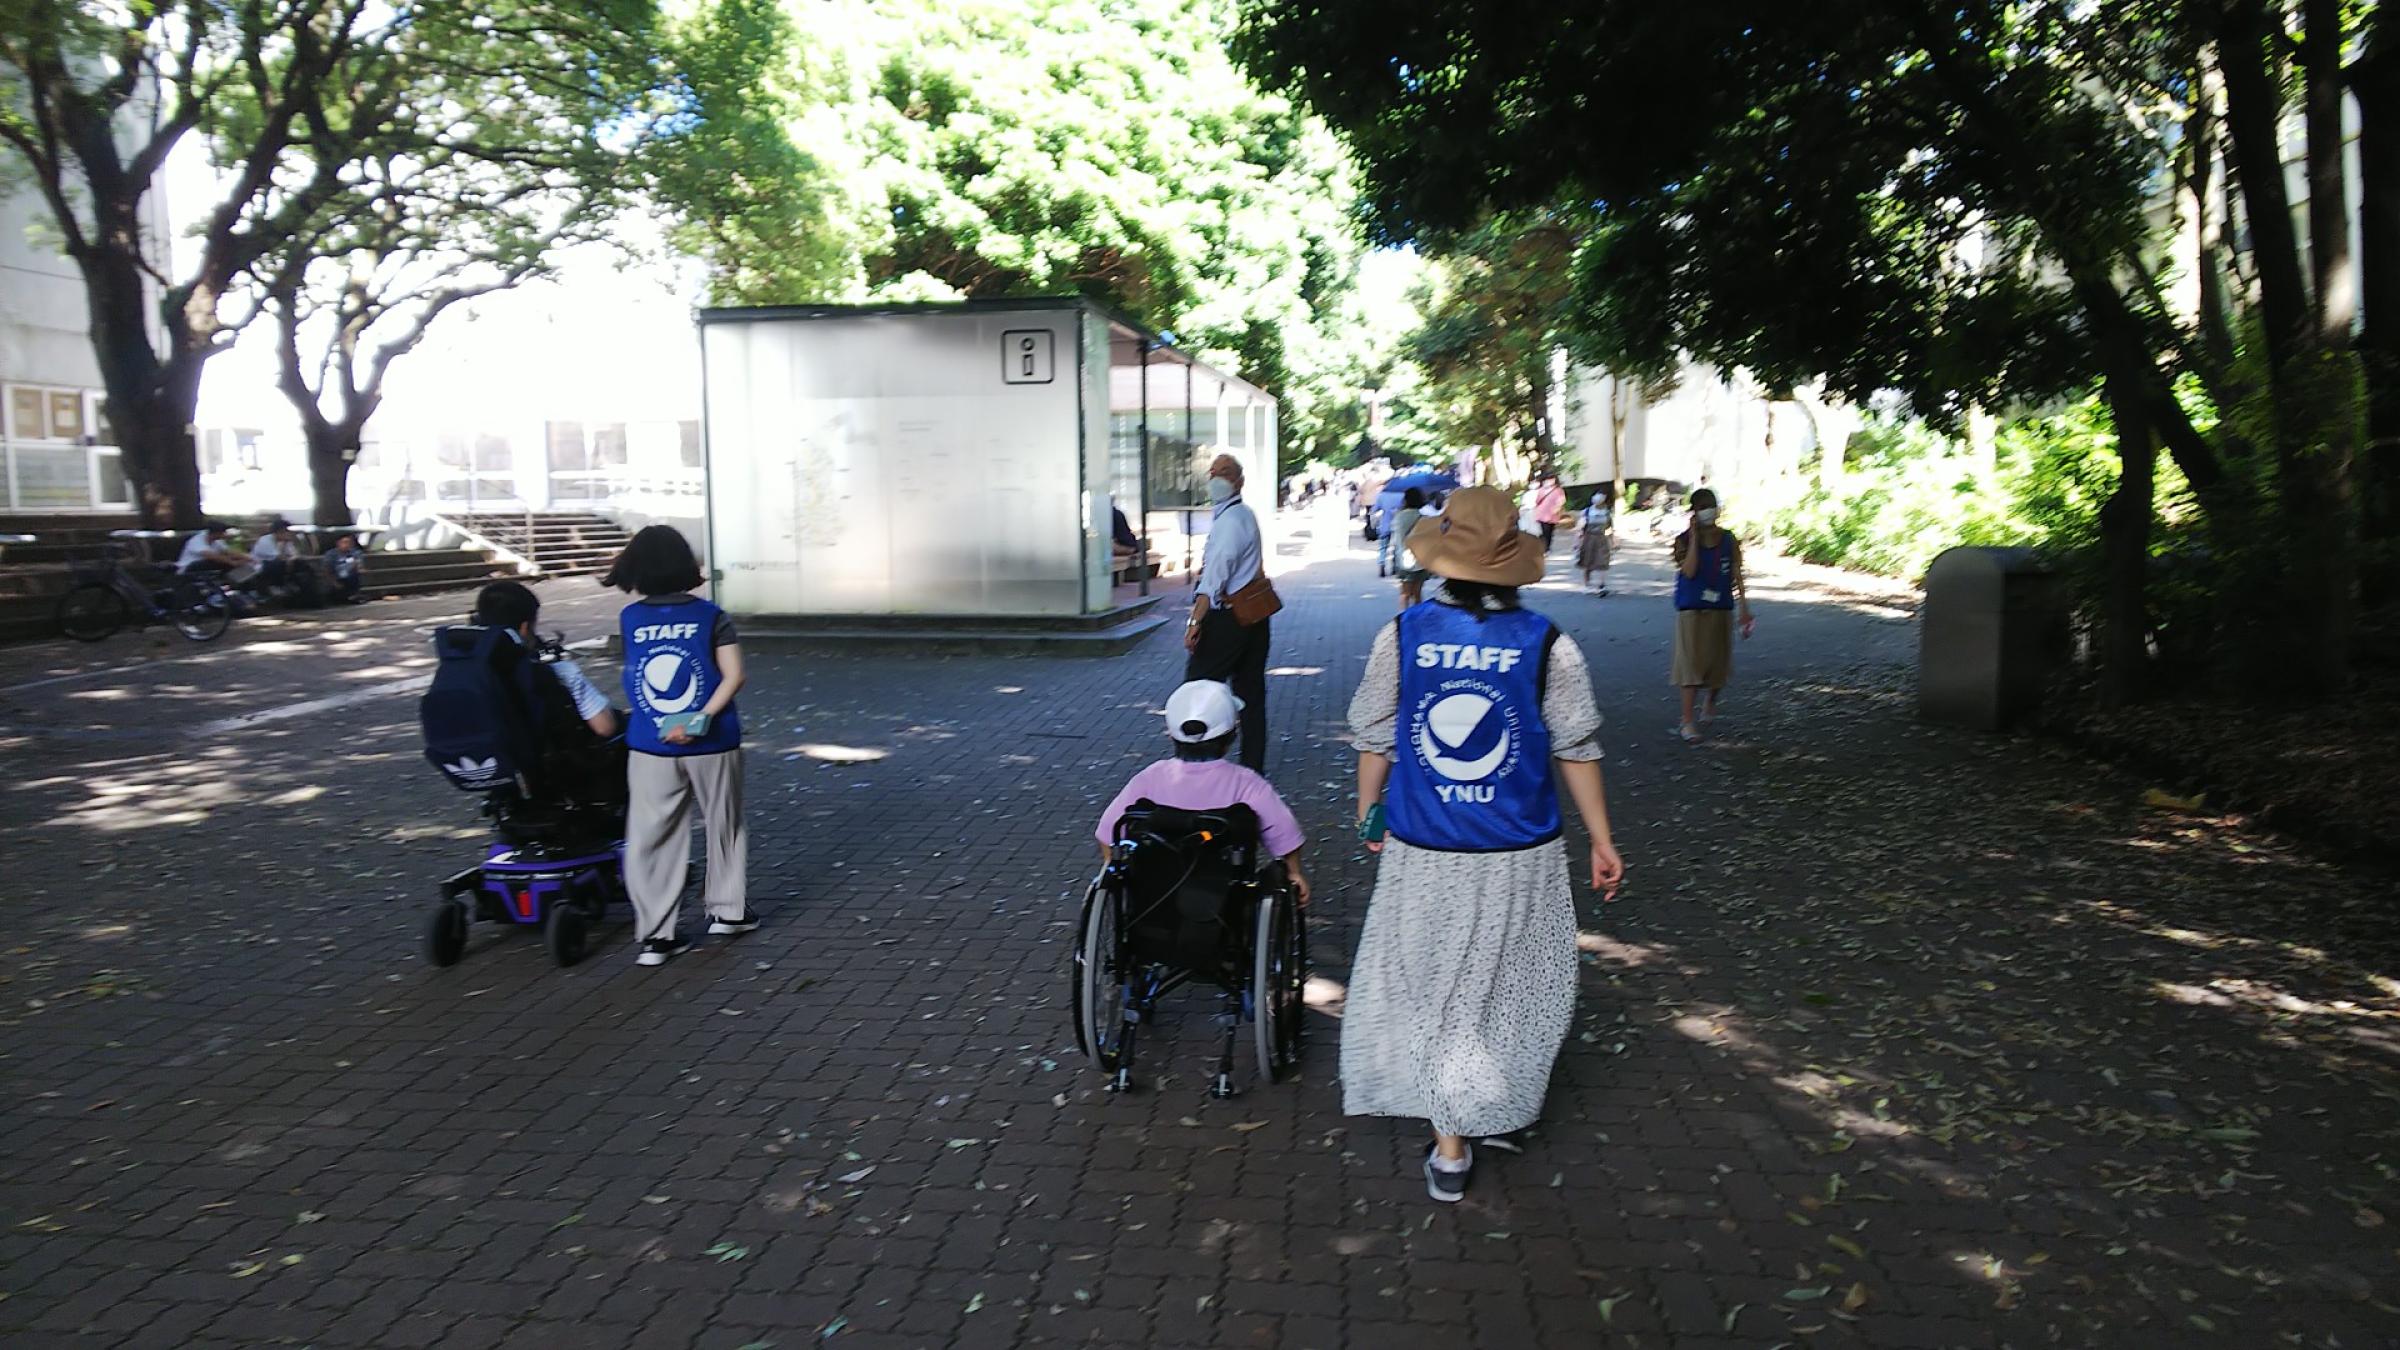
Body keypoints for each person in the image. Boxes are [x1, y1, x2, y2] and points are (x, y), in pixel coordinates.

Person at [1342, 484, 1626, 1204]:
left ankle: (1452, 1141)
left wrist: (1368, 810)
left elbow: (1375, 737)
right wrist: (1602, 839)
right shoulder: (1549, 644)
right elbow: (1577, 746)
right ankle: (1472, 1113)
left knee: (1434, 984)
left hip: (1424, 844)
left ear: (1442, 559)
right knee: (1506, 982)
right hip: (1518, 850)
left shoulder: (1401, 633)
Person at [607, 525, 753, 966]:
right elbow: (734, 675)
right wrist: (700, 720)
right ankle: (728, 913)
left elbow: (637, 674)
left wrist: (671, 723)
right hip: (713, 742)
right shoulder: (711, 615)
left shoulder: (630, 618)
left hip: (650, 743)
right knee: (722, 824)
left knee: (652, 835)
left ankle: (657, 936)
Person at [1094, 679, 1309, 905]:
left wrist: (1115, 869)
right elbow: (1286, 834)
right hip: (1224, 899)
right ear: (1231, 737)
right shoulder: (1246, 783)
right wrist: (1293, 874)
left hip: (1154, 897)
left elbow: (1108, 830)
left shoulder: (1150, 777)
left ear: (1171, 736)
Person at [470, 580, 624, 793]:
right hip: (568, 776)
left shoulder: (476, 676)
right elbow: (605, 727)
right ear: (525, 627)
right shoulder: (557, 671)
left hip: (509, 775)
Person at [1184, 453, 1271, 772]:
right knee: (1250, 695)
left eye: (1225, 472)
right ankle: (1252, 768)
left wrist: (1195, 621)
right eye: (1213, 472)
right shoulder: (1242, 515)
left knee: (1198, 688)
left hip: (1228, 618)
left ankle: (1197, 761)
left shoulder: (1232, 521)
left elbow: (1214, 579)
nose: (1216, 478)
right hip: (1254, 615)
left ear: (1239, 481)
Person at [1670, 487, 1754, 742]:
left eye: (1711, 505)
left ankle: (1710, 702)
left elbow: (1737, 573)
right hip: (1692, 609)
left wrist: (1744, 607)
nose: (1709, 510)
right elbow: (1690, 570)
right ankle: (1687, 721)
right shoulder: (1682, 540)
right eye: (1703, 506)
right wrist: (1694, 537)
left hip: (1722, 607)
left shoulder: (1729, 539)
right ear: (1694, 511)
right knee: (1690, 665)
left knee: (1718, 663)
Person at [249, 516, 321, 605]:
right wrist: (283, 546)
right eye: (284, 531)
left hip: (284, 564)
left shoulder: (286, 541)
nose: (287, 533)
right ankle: (278, 587)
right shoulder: (265, 540)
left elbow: (295, 554)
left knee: (303, 565)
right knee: (279, 564)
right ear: (279, 531)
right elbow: (278, 557)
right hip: (263, 566)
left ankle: (310, 594)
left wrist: (291, 559)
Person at [1390, 487, 1431, 610]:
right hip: (1420, 559)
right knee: (1417, 593)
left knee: (1404, 594)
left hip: (1403, 558)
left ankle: (1403, 619)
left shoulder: (1399, 516)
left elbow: (1396, 537)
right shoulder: (1424, 517)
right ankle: (1418, 619)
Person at [1575, 490, 1614, 595]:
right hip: (1588, 538)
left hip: (1601, 538)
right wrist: (1577, 543)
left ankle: (1601, 585)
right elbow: (1580, 529)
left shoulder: (1607, 512)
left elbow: (1609, 528)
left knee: (1602, 561)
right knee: (1587, 562)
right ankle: (1586, 584)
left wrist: (1612, 541)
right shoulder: (1586, 512)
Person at [177, 523, 244, 577]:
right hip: (189, 568)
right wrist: (232, 562)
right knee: (219, 561)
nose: (224, 534)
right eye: (223, 532)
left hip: (205, 568)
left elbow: (229, 552)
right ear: (216, 533)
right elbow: (211, 556)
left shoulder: (217, 541)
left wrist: (249, 559)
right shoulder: (197, 540)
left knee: (230, 562)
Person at [323, 533, 366, 604]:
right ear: (338, 543)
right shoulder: (331, 554)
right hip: (337, 578)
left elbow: (359, 565)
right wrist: (334, 583)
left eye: (349, 543)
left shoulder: (355, 553)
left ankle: (353, 595)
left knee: (354, 575)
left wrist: (359, 567)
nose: (347, 545)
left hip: (350, 577)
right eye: (344, 542)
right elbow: (327, 569)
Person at [1533, 473, 1567, 552]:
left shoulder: (1558, 490)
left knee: (1549, 531)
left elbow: (1562, 500)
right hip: (1542, 514)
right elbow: (1537, 500)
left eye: (1551, 479)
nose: (1549, 481)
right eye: (1548, 479)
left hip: (1552, 514)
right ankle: (1545, 547)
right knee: (1544, 531)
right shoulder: (1541, 490)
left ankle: (1547, 546)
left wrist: (1557, 508)